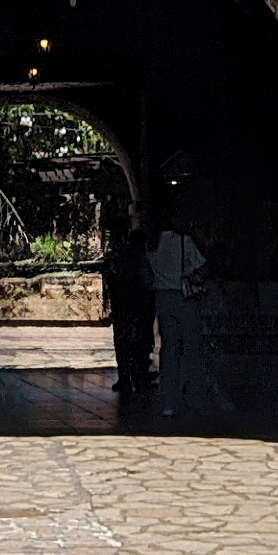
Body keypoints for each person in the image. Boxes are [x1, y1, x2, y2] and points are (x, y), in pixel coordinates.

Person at [146, 168, 215, 425]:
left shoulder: (152, 245)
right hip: (184, 298)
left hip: (162, 299)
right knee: (192, 349)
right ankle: (193, 398)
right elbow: (203, 266)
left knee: (169, 350)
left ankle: (168, 402)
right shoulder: (184, 240)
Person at [96, 162, 154, 411]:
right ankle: (136, 377)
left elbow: (113, 278)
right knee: (138, 341)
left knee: (127, 341)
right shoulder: (136, 257)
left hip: (126, 304)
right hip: (137, 305)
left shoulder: (120, 258)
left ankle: (129, 377)